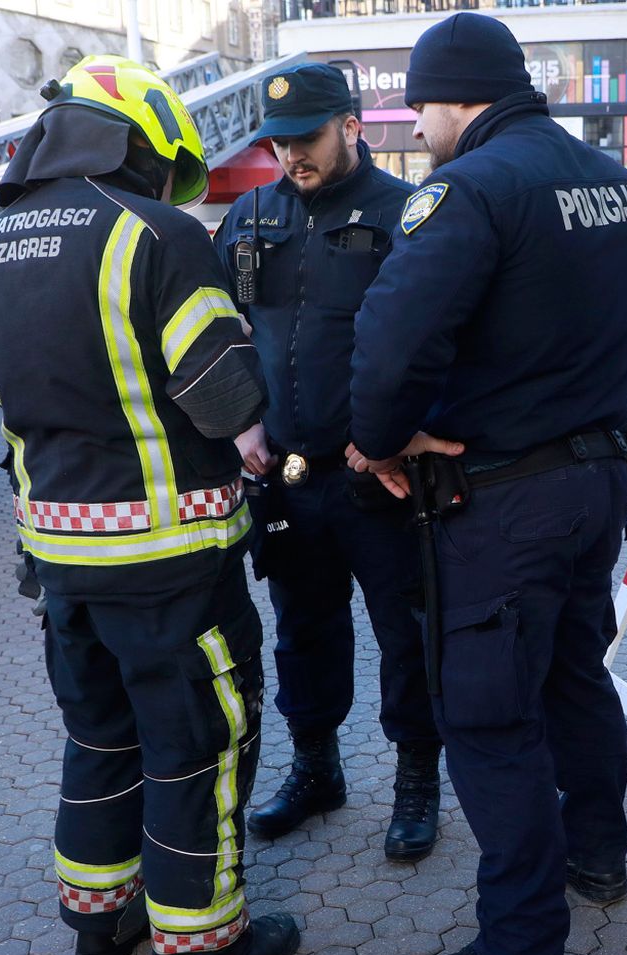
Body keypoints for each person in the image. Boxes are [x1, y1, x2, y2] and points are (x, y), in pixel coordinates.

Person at [344, 13, 627, 955]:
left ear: (455, 96)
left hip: (501, 501)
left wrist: (382, 440)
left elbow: (392, 345)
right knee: (575, 673)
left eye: (421, 108)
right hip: (596, 479)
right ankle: (597, 856)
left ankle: (523, 953)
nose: (418, 129)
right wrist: (577, 398)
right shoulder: (611, 179)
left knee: (489, 716)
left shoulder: (469, 189)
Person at [0, 55, 298, 955]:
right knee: (197, 747)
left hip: (58, 557)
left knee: (99, 738)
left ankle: (99, 926)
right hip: (170, 562)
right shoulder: (156, 233)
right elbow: (224, 396)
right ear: (141, 144)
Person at [211, 63, 449, 861]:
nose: (290, 156)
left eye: (306, 138)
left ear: (351, 125)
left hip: (378, 478)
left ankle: (416, 781)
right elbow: (216, 329)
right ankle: (317, 770)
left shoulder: (408, 212)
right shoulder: (250, 215)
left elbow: (444, 338)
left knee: (405, 635)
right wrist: (240, 424)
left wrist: (400, 431)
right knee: (302, 634)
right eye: (277, 143)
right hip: (286, 479)